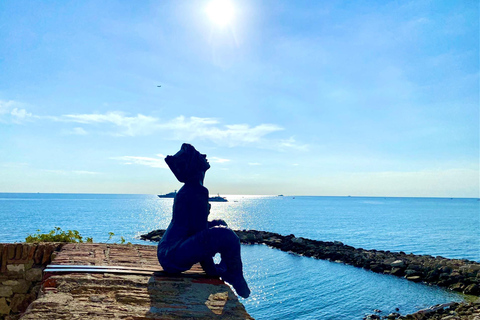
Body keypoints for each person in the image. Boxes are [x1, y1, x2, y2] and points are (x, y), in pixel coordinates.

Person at [157, 143, 250, 298]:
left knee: (221, 225)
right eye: (200, 154)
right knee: (228, 236)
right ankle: (235, 276)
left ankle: (229, 271)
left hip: (167, 252)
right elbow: (200, 234)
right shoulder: (197, 191)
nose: (205, 156)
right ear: (195, 163)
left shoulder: (191, 189)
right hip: (173, 254)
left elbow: (194, 229)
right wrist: (211, 270)